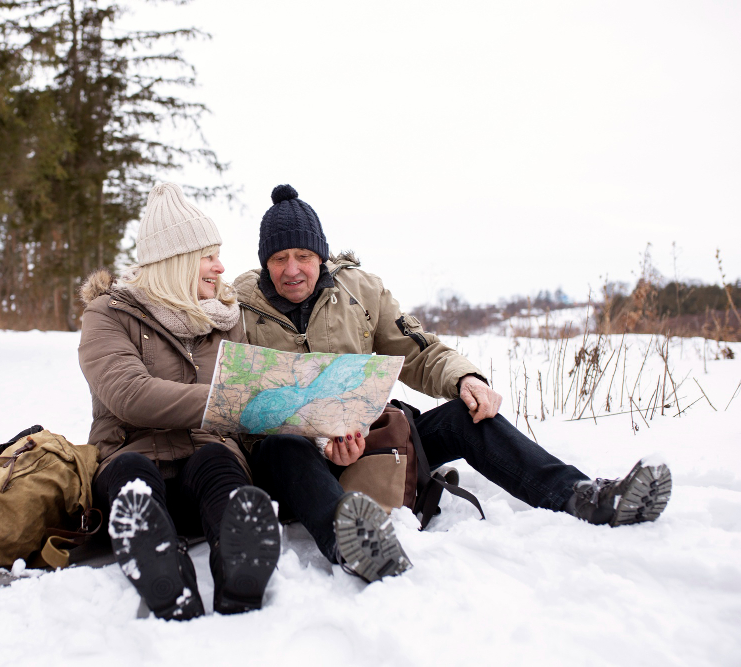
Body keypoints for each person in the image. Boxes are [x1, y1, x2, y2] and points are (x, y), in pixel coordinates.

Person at [234, 184, 673, 582]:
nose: (292, 269)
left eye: (303, 256)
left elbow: (419, 350)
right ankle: (352, 546)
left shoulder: (360, 291)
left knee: (466, 415)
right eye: (278, 258)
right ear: (264, 262)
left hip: (364, 434)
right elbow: (235, 403)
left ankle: (582, 496)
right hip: (291, 459)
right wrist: (316, 441)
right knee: (281, 447)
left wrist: (465, 378)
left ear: (321, 256)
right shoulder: (238, 307)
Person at [79, 182, 281, 620]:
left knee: (219, 468)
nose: (220, 267)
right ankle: (162, 563)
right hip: (130, 454)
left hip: (206, 455)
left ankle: (238, 564)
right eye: (208, 256)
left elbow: (251, 402)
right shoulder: (107, 316)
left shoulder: (226, 320)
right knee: (132, 474)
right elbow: (131, 395)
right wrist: (227, 400)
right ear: (176, 262)